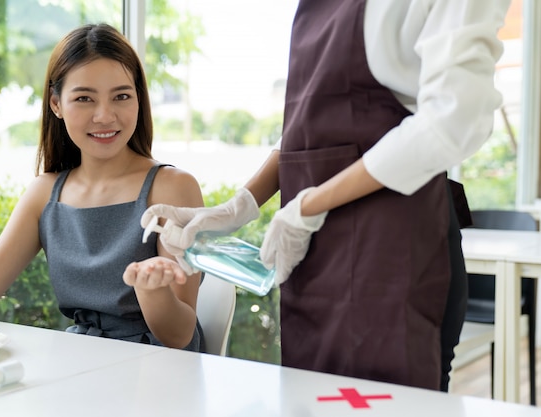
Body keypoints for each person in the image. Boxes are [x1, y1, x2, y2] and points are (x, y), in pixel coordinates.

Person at [141, 0, 511, 389]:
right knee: (311, 396)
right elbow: (310, 134)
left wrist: (310, 205)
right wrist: (237, 208)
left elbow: (454, 120)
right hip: (313, 256)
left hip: (392, 250)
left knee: (385, 402)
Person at [0, 23, 205, 351]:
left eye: (121, 96)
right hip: (80, 361)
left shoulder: (173, 189)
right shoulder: (45, 194)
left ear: (139, 99)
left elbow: (179, 336)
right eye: (84, 98)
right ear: (56, 104)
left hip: (160, 374)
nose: (105, 115)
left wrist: (153, 290)